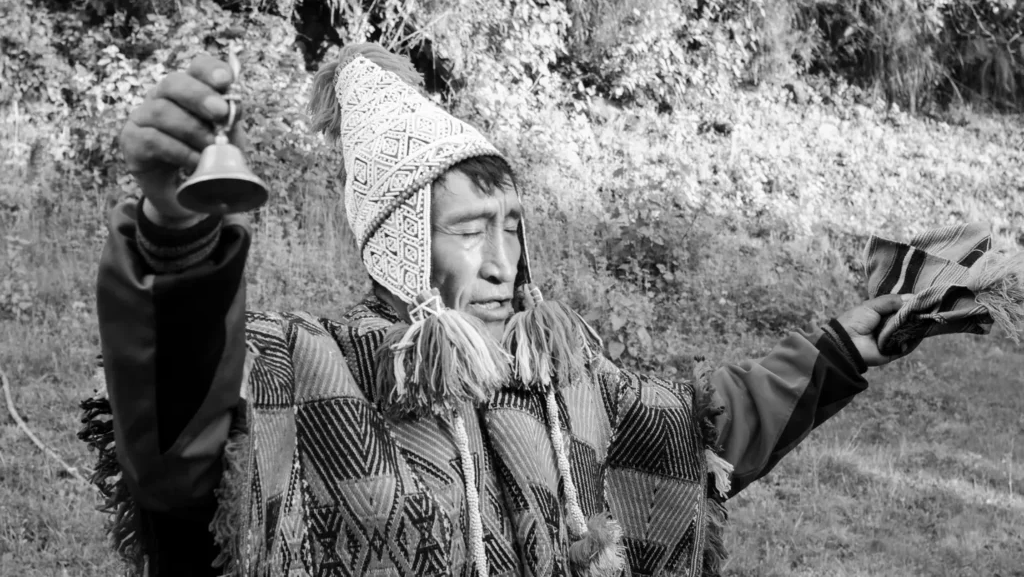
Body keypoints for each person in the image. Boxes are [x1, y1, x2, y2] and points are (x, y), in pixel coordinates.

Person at [86, 43, 919, 577]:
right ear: (400, 245)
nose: (501, 261)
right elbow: (183, 449)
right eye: (468, 230)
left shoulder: (561, 369)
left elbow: (686, 430)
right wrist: (177, 250)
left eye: (511, 224)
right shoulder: (314, 367)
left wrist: (839, 352)